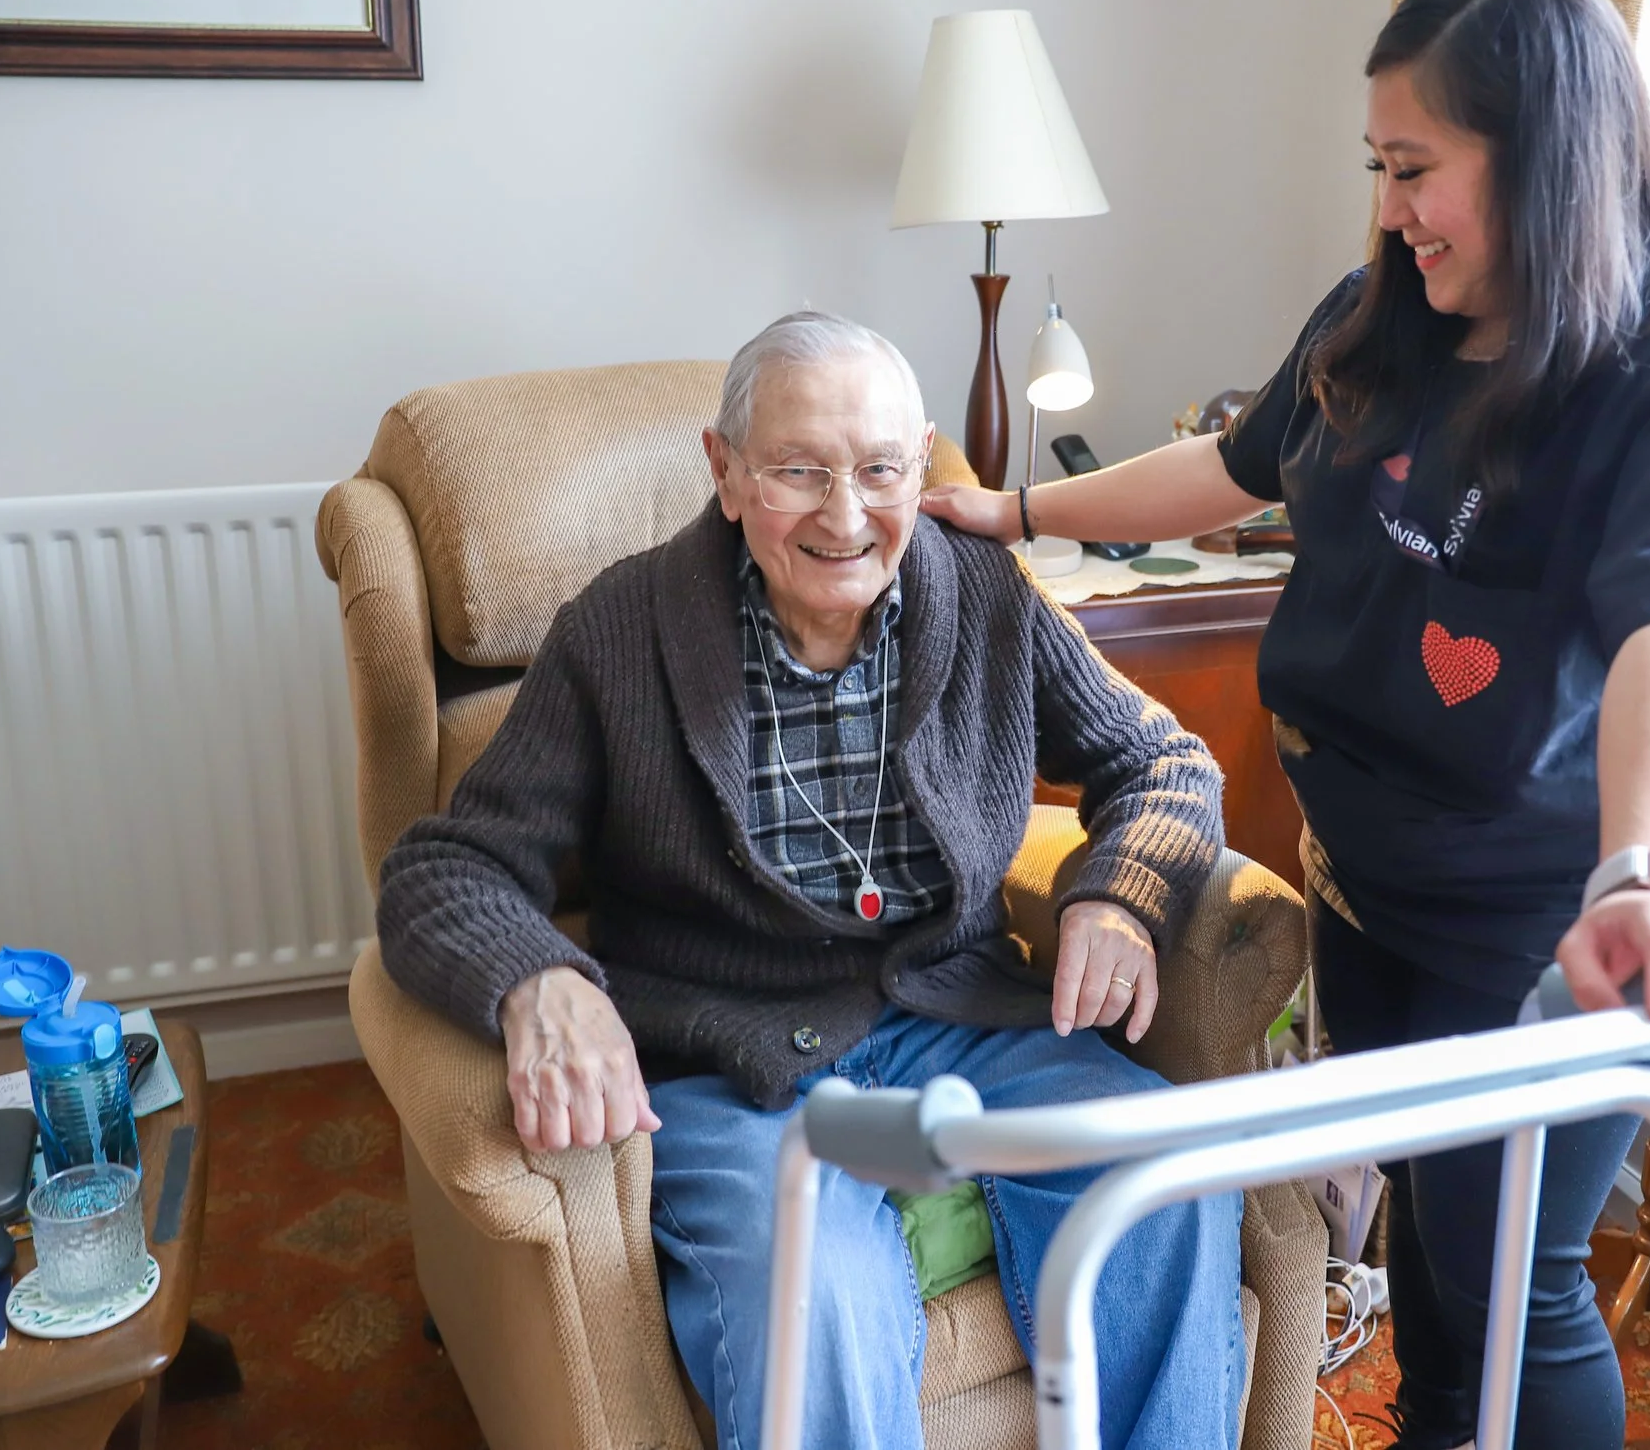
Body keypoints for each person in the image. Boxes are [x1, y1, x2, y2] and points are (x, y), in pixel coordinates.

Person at [923, 0, 1650, 1448]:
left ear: (1543, 155)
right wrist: (1015, 510)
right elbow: (1235, 463)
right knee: (1424, 1226)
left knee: (1512, 1269)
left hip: (1557, 908)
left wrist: (1647, 873)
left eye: (1415, 169)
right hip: (1379, 870)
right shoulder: (1387, 305)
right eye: (1377, 167)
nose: (1389, 208)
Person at [375, 312, 1246, 1450]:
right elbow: (445, 864)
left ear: (920, 463)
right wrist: (539, 980)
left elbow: (1164, 760)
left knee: (1162, 1174)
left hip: (959, 1020)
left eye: (879, 469)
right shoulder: (618, 631)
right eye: (798, 471)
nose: (844, 515)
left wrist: (1122, 891)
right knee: (815, 1298)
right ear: (726, 471)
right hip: (731, 1064)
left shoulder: (982, 590)